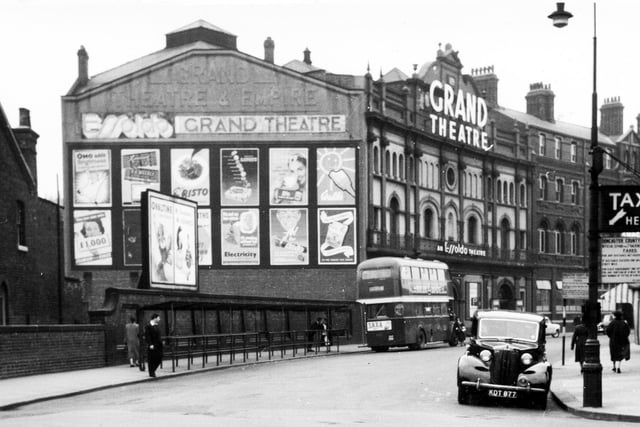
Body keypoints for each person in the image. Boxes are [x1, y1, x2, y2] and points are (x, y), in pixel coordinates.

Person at [145, 313, 163, 378]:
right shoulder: (148, 326)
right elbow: (147, 336)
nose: (159, 319)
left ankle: (153, 370)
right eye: (158, 318)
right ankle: (151, 372)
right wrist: (150, 344)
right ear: (155, 318)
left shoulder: (157, 325)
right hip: (152, 345)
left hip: (158, 345)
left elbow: (159, 335)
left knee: (159, 358)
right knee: (151, 359)